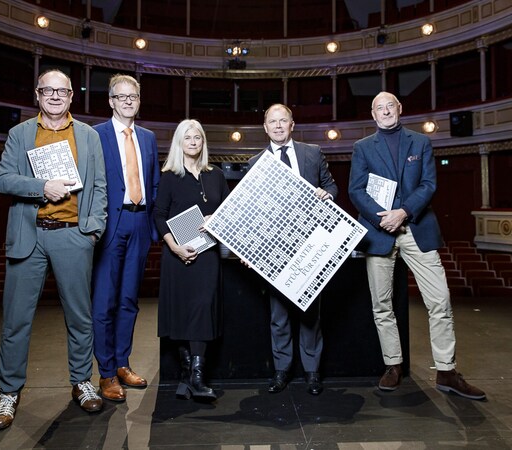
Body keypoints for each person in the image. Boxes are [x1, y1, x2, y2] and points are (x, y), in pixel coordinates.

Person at [0, 69, 107, 431]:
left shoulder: (88, 135)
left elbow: (100, 186)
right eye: (48, 90)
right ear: (37, 95)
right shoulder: (19, 133)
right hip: (30, 235)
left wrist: (94, 231)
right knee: (16, 320)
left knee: (79, 316)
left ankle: (82, 382)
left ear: (72, 96)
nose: (55, 96)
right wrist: (43, 186)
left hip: (73, 235)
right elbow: (2, 179)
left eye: (62, 91)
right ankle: (8, 394)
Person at [348, 91, 486, 400]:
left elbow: (429, 185)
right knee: (382, 305)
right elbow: (356, 190)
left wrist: (404, 212)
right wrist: (381, 218)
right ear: (373, 115)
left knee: (440, 300)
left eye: (390, 106)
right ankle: (393, 365)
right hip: (379, 230)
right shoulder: (362, 148)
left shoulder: (420, 142)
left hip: (416, 227)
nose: (385, 112)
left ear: (400, 109)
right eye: (379, 108)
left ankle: (447, 371)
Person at [248, 104, 338, 396]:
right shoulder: (255, 162)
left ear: (292, 124)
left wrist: (327, 195)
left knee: (311, 311)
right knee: (279, 314)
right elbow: (252, 211)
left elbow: (332, 188)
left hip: (310, 244)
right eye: (272, 121)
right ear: (265, 127)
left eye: (282, 120)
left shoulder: (312, 153)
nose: (277, 126)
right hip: (276, 248)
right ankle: (281, 371)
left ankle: (312, 373)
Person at [91, 74, 160, 401]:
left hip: (140, 225)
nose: (128, 101)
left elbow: (155, 183)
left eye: (133, 96)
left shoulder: (147, 137)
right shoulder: (96, 135)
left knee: (129, 301)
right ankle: (105, 374)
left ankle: (122, 363)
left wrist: (154, 229)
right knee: (105, 301)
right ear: (111, 101)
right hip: (110, 226)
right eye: (122, 97)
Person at [154, 119, 230, 401]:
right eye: (188, 137)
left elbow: (230, 211)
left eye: (198, 137)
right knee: (180, 312)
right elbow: (159, 215)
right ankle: (187, 372)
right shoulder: (170, 176)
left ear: (203, 141)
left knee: (201, 309)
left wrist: (216, 219)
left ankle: (197, 375)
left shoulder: (216, 174)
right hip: (177, 256)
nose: (193, 142)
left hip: (207, 256)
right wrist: (175, 247)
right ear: (179, 142)